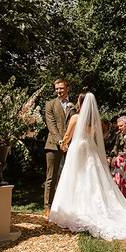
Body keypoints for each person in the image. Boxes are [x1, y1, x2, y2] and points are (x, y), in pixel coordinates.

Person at [49, 93, 126, 240]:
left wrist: (63, 144)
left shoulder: (76, 118)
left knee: (75, 177)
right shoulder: (94, 121)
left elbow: (68, 135)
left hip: (78, 148)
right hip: (90, 148)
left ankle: (74, 210)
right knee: (92, 177)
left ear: (80, 102)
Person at [43, 79, 73, 210]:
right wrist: (61, 141)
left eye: (61, 88)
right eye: (56, 89)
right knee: (51, 177)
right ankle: (47, 207)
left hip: (71, 145)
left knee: (70, 176)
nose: (58, 91)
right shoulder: (50, 104)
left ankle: (65, 206)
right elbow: (51, 125)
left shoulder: (74, 105)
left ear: (67, 88)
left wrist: (69, 141)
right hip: (53, 145)